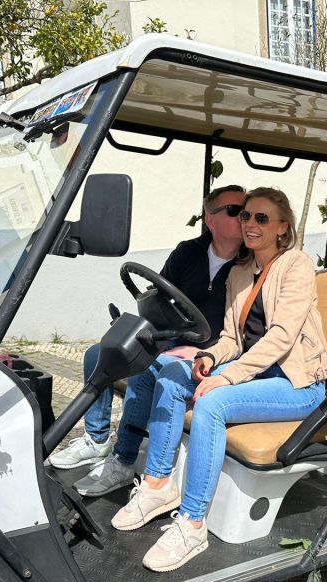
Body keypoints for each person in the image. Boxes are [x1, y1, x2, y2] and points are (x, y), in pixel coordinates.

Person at [111, 187, 327, 572]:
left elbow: (282, 336)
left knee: (213, 403)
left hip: (297, 383)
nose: (250, 224)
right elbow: (232, 336)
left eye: (262, 219)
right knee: (172, 372)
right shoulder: (241, 272)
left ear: (283, 228)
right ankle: (157, 485)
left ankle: (193, 523)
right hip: (256, 376)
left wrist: (227, 376)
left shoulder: (295, 265)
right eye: (246, 216)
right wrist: (210, 356)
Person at [49, 185, 247, 498]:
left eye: (247, 210)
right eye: (236, 211)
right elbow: (161, 296)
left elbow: (242, 330)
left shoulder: (248, 265)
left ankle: (124, 459)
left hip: (213, 352)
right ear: (211, 219)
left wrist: (204, 350)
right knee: (98, 353)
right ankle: (97, 438)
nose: (245, 217)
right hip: (172, 337)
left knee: (146, 369)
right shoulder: (188, 252)